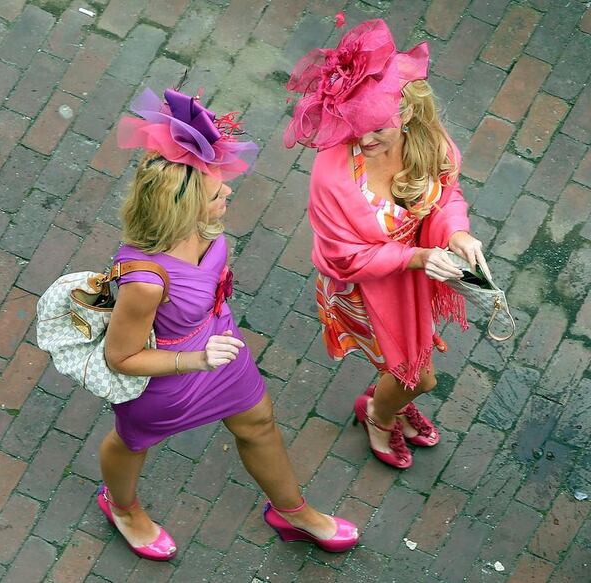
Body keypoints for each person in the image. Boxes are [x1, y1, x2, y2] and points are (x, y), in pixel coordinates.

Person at [97, 86, 359, 561]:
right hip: (166, 380)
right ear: (186, 207)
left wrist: (212, 345)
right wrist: (194, 359)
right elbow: (121, 357)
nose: (230, 191)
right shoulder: (146, 280)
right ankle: (122, 507)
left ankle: (292, 511)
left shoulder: (202, 226)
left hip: (221, 345)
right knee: (132, 441)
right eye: (218, 193)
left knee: (259, 423)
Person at [284, 19, 486, 470]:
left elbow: (446, 195)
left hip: (414, 271)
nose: (365, 139)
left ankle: (388, 397)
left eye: (378, 127)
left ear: (409, 112)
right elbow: (344, 256)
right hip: (364, 289)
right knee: (420, 377)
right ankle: (378, 413)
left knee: (407, 370)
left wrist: (457, 232)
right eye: (355, 127)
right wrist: (419, 256)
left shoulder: (428, 141)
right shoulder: (331, 177)